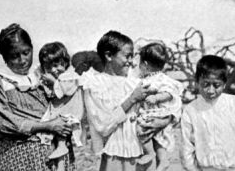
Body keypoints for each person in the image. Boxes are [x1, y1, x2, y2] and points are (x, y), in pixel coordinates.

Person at [0, 23, 75, 171]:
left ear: (32, 49)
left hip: (55, 152)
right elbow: (4, 121)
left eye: (26, 53)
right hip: (20, 157)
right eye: (14, 56)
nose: (22, 60)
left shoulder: (42, 73)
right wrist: (48, 125)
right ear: (4, 57)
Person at [82, 30, 173, 171]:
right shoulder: (95, 84)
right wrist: (131, 100)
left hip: (142, 155)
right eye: (127, 56)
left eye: (132, 56)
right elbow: (102, 125)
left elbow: (167, 104)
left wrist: (163, 121)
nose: (131, 62)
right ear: (108, 55)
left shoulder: (135, 81)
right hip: (114, 156)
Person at [180, 55, 235, 171]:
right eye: (205, 84)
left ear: (224, 83)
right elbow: (186, 149)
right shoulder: (190, 110)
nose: (210, 90)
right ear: (197, 82)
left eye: (216, 85)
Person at [134, 43, 183, 171]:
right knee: (156, 139)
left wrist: (156, 97)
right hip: (150, 112)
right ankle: (161, 159)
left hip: (158, 112)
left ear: (144, 64)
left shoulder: (160, 79)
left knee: (143, 129)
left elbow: (170, 93)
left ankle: (153, 155)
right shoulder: (144, 78)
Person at [36, 42, 85, 164]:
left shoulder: (69, 76)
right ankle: (60, 160)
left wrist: (53, 82)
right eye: (49, 66)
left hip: (71, 109)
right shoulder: (57, 76)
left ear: (66, 62)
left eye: (58, 65)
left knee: (61, 132)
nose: (54, 69)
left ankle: (61, 148)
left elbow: (66, 91)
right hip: (62, 109)